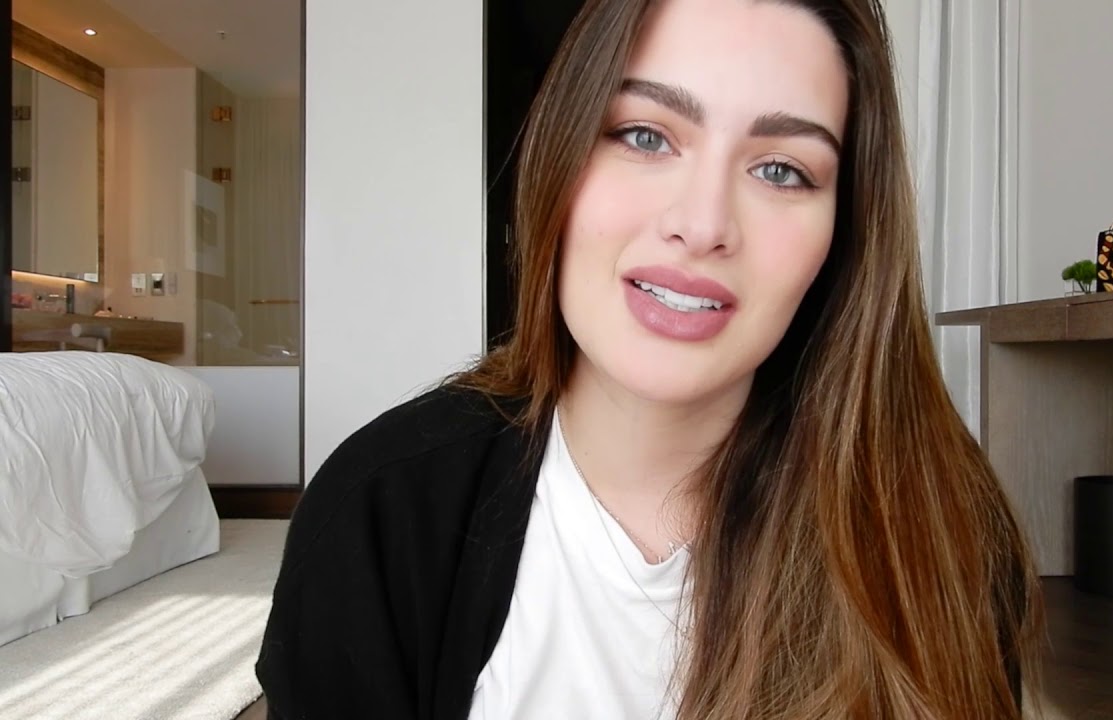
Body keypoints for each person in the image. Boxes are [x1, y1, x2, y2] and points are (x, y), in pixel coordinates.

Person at [255, 0, 1044, 717]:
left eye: (780, 170)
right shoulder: (377, 513)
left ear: (845, 236)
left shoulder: (938, 526)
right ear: (559, 160)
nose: (701, 225)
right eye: (645, 135)